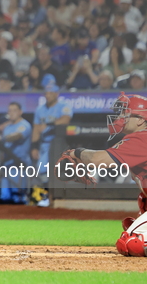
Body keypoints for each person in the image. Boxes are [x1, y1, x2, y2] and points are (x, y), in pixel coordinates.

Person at [56, 92, 147, 257]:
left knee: (131, 244)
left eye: (125, 113)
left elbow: (98, 159)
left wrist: (76, 152)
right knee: (143, 202)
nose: (120, 117)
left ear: (141, 119)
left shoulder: (142, 138)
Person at [30, 83, 73, 206]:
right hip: (44, 144)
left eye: (51, 93)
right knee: (42, 171)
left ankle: (51, 197)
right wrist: (34, 147)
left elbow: (65, 120)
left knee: (46, 170)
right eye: (46, 93)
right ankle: (47, 197)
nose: (48, 95)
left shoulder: (63, 106)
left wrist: (49, 124)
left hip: (59, 144)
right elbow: (36, 129)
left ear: (57, 94)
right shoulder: (40, 109)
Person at [0, 102, 32, 204]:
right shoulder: (7, 127)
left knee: (18, 197)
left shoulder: (24, 125)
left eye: (14, 110)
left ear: (20, 112)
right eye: (9, 111)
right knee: (5, 196)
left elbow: (16, 136)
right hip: (7, 165)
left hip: (19, 165)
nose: (11, 113)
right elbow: (4, 148)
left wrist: (2, 138)